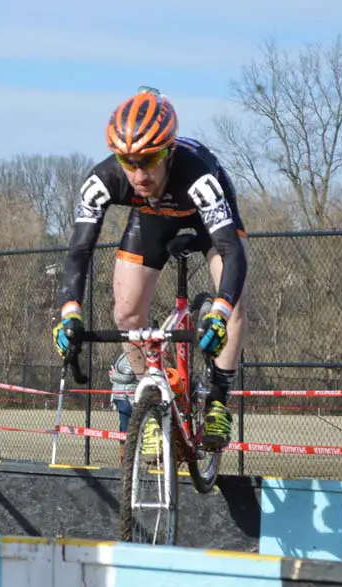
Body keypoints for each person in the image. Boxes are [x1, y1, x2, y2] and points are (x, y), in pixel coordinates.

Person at [52, 86, 249, 451]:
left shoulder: (198, 176)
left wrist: (220, 313)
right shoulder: (102, 181)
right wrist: (70, 314)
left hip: (209, 223)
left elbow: (230, 250)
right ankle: (151, 397)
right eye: (128, 162)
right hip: (153, 219)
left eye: (148, 159)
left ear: (169, 151)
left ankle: (219, 399)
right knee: (126, 312)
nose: (139, 175)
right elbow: (79, 252)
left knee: (232, 298)